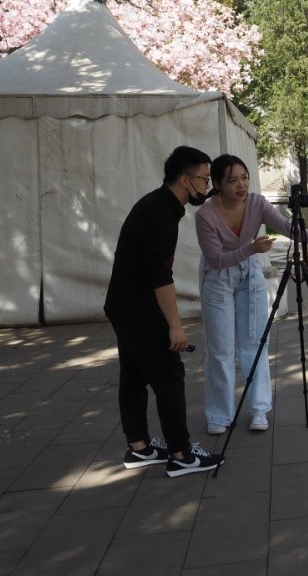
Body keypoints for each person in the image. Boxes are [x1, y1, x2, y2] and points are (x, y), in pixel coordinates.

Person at [194, 154, 308, 435]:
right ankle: (220, 414)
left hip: (249, 275)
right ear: (218, 185)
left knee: (255, 342)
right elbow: (215, 260)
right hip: (218, 278)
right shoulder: (205, 215)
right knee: (221, 349)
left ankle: (259, 408)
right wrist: (250, 249)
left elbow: (287, 228)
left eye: (245, 178)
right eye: (232, 181)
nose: (241, 185)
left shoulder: (257, 203)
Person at [104, 145, 225, 477]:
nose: (207, 186)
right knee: (169, 375)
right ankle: (182, 454)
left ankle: (140, 448)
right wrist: (175, 326)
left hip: (125, 303)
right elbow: (160, 277)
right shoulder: (160, 214)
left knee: (134, 375)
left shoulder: (159, 205)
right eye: (204, 179)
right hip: (137, 307)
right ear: (185, 180)